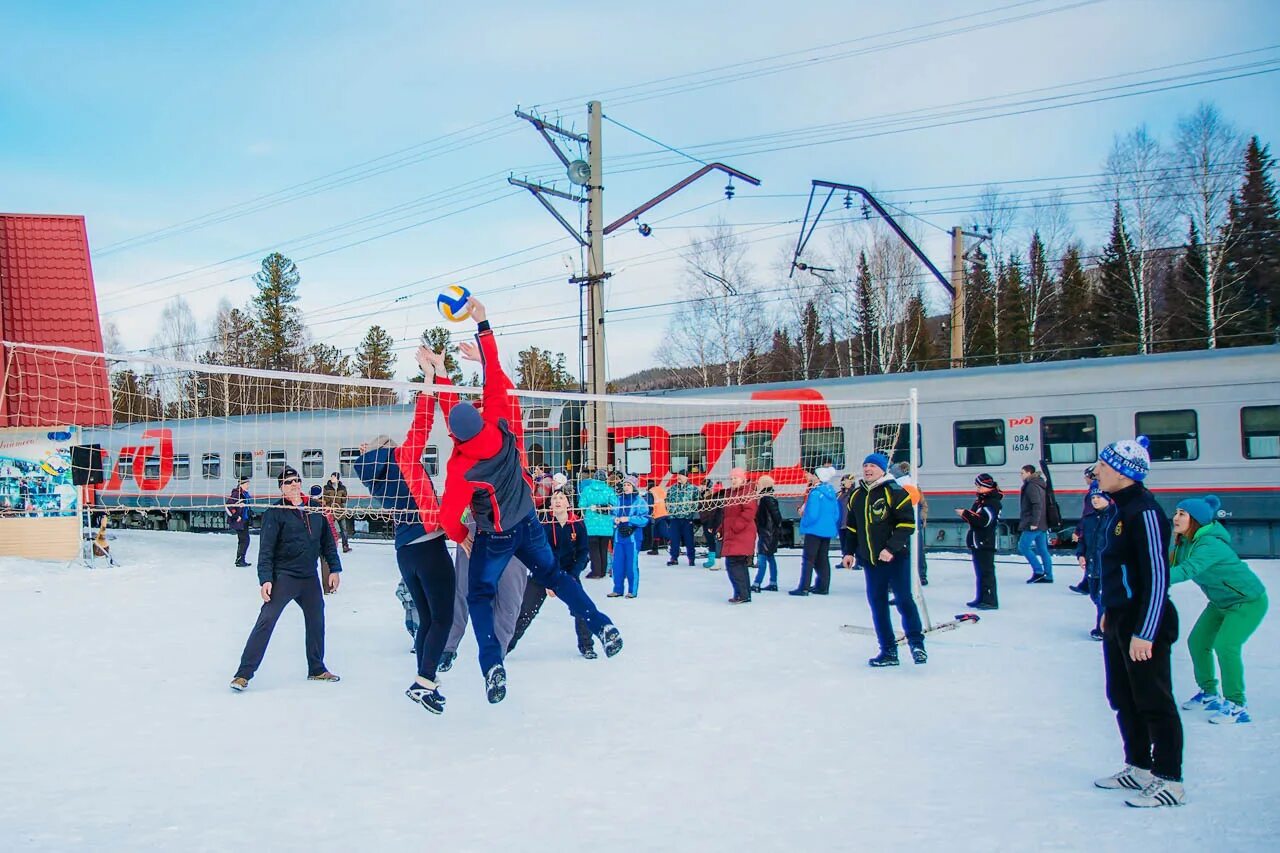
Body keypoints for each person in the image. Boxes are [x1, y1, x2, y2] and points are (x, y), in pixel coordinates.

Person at [439, 296, 622, 704]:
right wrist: (483, 322)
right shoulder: (501, 423)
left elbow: (448, 514)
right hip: (530, 523)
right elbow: (498, 380)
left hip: (497, 535)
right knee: (556, 576)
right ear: (480, 415)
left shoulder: (460, 466)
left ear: (455, 437)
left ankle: (493, 664)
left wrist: (459, 535)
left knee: (480, 596)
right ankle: (601, 623)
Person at [353, 345, 457, 715]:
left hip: (405, 551)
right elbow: (424, 418)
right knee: (443, 616)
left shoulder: (373, 476)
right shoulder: (403, 459)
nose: (398, 441)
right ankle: (424, 681)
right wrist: (429, 377)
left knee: (427, 618)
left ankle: (425, 681)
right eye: (392, 441)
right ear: (390, 448)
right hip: (428, 547)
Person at [1091, 436, 1185, 808]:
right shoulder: (1119, 507)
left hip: (1144, 623)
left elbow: (1157, 575)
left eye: (1103, 465)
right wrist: (1107, 608)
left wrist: (1145, 631)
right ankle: (1139, 766)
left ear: (1122, 473)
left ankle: (1169, 778)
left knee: (1154, 700)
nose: (1097, 471)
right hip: (1119, 617)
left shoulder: (1144, 512)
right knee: (1122, 695)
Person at [229, 466, 341, 691]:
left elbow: (327, 543)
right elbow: (266, 550)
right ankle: (243, 674)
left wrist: (335, 569)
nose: (294, 485)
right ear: (281, 487)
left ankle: (317, 668)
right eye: (288, 482)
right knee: (267, 619)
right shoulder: (275, 512)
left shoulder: (316, 508)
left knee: (317, 618)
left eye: (296, 481)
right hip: (285, 575)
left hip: (309, 576)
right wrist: (266, 579)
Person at [1170, 495, 1268, 725]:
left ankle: (1237, 705)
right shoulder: (1185, 541)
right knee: (1197, 642)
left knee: (1226, 645)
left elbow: (1186, 570)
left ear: (1196, 520)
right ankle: (1209, 693)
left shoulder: (1210, 544)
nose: (1175, 517)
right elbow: (1170, 563)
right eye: (1176, 512)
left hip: (1247, 601)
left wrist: (1153, 579)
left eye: (1182, 514)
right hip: (1219, 602)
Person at [840, 452, 924, 667]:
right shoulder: (857, 496)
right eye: (865, 465)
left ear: (882, 469)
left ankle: (916, 644)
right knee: (878, 605)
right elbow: (852, 528)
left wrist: (890, 548)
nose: (868, 469)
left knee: (904, 600)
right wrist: (849, 552)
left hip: (895, 559)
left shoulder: (895, 491)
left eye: (872, 466)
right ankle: (888, 650)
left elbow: (906, 524)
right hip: (871, 561)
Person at [508, 490, 598, 659]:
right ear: (550, 505)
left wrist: (572, 576)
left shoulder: (577, 525)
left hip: (568, 574)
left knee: (582, 608)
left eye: (561, 498)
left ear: (568, 504)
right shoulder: (543, 525)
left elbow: (583, 553)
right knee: (525, 612)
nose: (557, 501)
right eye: (554, 498)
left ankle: (587, 646)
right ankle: (505, 647)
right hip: (543, 573)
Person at [438, 520, 528, 674]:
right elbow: (451, 507)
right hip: (476, 526)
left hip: (514, 529)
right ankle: (447, 647)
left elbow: (540, 499)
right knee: (462, 589)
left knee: (510, 601)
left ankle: (495, 659)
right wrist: (458, 533)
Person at [790, 465, 838, 596]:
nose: (809, 477)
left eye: (812, 475)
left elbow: (812, 514)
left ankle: (803, 587)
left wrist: (804, 517)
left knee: (808, 559)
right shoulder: (831, 491)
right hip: (827, 530)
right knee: (823, 558)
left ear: (818, 477)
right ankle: (823, 586)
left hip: (814, 530)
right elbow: (836, 513)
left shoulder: (816, 493)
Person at [958, 473, 1002, 610]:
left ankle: (990, 600)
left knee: (986, 571)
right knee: (980, 572)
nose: (977, 489)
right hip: (978, 541)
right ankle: (981, 597)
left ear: (986, 486)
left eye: (979, 486)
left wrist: (965, 514)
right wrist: (967, 514)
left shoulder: (992, 502)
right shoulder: (981, 501)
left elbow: (984, 521)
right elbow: (975, 516)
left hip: (985, 541)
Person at [1076, 485, 1113, 639]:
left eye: (1098, 497)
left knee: (1102, 599)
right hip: (1092, 565)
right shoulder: (1089, 519)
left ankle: (1103, 629)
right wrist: (1080, 555)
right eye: (1093, 498)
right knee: (1095, 596)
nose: (1095, 500)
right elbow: (1083, 541)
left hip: (1107, 566)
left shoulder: (1115, 517)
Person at [720, 467, 759, 604]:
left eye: (735, 478)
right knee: (738, 564)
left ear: (743, 478)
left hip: (741, 533)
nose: (733, 481)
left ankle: (742, 594)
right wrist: (722, 528)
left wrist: (735, 527)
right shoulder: (731, 493)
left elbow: (749, 512)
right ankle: (743, 593)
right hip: (734, 533)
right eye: (731, 478)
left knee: (733, 564)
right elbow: (727, 515)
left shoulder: (747, 492)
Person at [607, 477, 649, 598]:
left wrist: (629, 519)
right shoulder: (618, 500)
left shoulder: (640, 501)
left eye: (628, 485)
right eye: (624, 485)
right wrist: (614, 519)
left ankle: (632, 590)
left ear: (634, 487)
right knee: (617, 564)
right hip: (619, 536)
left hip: (633, 537)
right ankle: (617, 589)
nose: (626, 487)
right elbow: (612, 514)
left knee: (631, 565)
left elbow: (645, 519)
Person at [893, 461, 929, 586]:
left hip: (904, 521)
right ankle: (921, 575)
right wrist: (923, 517)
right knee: (917, 547)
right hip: (914, 520)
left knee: (905, 549)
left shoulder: (898, 485)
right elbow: (922, 502)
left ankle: (909, 576)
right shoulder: (913, 484)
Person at [578, 469, 618, 578]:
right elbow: (615, 503)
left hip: (591, 524)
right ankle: (602, 571)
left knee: (593, 549)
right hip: (606, 524)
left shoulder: (587, 489)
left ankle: (595, 571)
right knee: (603, 548)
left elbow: (581, 504)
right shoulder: (609, 490)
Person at [1018, 464, 1054, 583]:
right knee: (1043, 550)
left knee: (1023, 547)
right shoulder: (1039, 484)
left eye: (1022, 473)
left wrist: (1034, 522)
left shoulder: (1031, 486)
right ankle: (1048, 575)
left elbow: (1036, 505)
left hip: (1033, 523)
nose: (1021, 475)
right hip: (1042, 523)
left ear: (1029, 473)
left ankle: (1038, 571)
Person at [1069, 466, 1099, 593]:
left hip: (1091, 526)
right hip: (1094, 524)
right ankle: (1086, 584)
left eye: (1086, 476)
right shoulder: (1099, 489)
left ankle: (1087, 585)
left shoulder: (1093, 493)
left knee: (1090, 553)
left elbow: (1087, 513)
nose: (1085, 478)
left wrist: (1078, 530)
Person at [309, 484, 342, 596]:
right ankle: (328, 587)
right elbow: (330, 525)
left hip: (312, 540)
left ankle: (306, 588)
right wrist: (335, 538)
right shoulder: (325, 508)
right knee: (326, 564)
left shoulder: (307, 508)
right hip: (325, 540)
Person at [751, 475, 783, 592]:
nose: (757, 485)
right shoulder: (771, 497)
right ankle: (773, 582)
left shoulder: (765, 499)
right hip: (771, 533)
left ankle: (757, 583)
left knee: (762, 558)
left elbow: (773, 517)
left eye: (759, 483)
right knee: (770, 557)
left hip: (766, 534)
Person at [664, 471, 700, 567]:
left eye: (682, 476)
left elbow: (697, 502)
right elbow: (667, 501)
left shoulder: (693, 489)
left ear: (687, 477)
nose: (679, 477)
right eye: (678, 476)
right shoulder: (672, 489)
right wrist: (670, 513)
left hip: (687, 519)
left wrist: (691, 513)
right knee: (674, 539)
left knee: (689, 540)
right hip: (675, 518)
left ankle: (691, 559)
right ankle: (674, 558)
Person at [322, 472, 352, 553]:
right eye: (331, 477)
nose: (332, 479)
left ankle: (345, 546)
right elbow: (325, 498)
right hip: (331, 510)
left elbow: (344, 499)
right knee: (330, 529)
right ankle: (330, 546)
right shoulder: (326, 487)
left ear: (338, 478)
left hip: (340, 510)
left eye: (334, 477)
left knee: (344, 529)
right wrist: (327, 500)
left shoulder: (342, 488)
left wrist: (345, 498)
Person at [226, 476, 253, 567]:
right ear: (241, 484)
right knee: (244, 540)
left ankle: (240, 559)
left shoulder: (244, 493)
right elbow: (229, 505)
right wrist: (236, 516)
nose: (248, 485)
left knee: (243, 540)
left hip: (244, 520)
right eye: (247, 484)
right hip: (239, 521)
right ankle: (240, 560)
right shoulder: (236, 494)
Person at [700, 482, 724, 569]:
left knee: (712, 542)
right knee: (717, 542)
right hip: (718, 523)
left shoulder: (713, 499)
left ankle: (713, 561)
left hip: (712, 523)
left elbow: (712, 514)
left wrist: (710, 525)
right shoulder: (725, 498)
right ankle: (715, 560)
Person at [646, 480, 669, 555]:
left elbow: (649, 504)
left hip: (657, 514)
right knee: (656, 532)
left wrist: (648, 514)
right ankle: (654, 549)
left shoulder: (650, 492)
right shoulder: (660, 490)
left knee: (664, 532)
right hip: (664, 513)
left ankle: (675, 546)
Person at [396, 579, 419, 648]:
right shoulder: (407, 571)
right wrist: (400, 592)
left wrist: (411, 596)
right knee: (409, 625)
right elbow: (402, 583)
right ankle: (417, 641)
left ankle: (418, 644)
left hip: (418, 607)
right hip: (408, 606)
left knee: (417, 625)